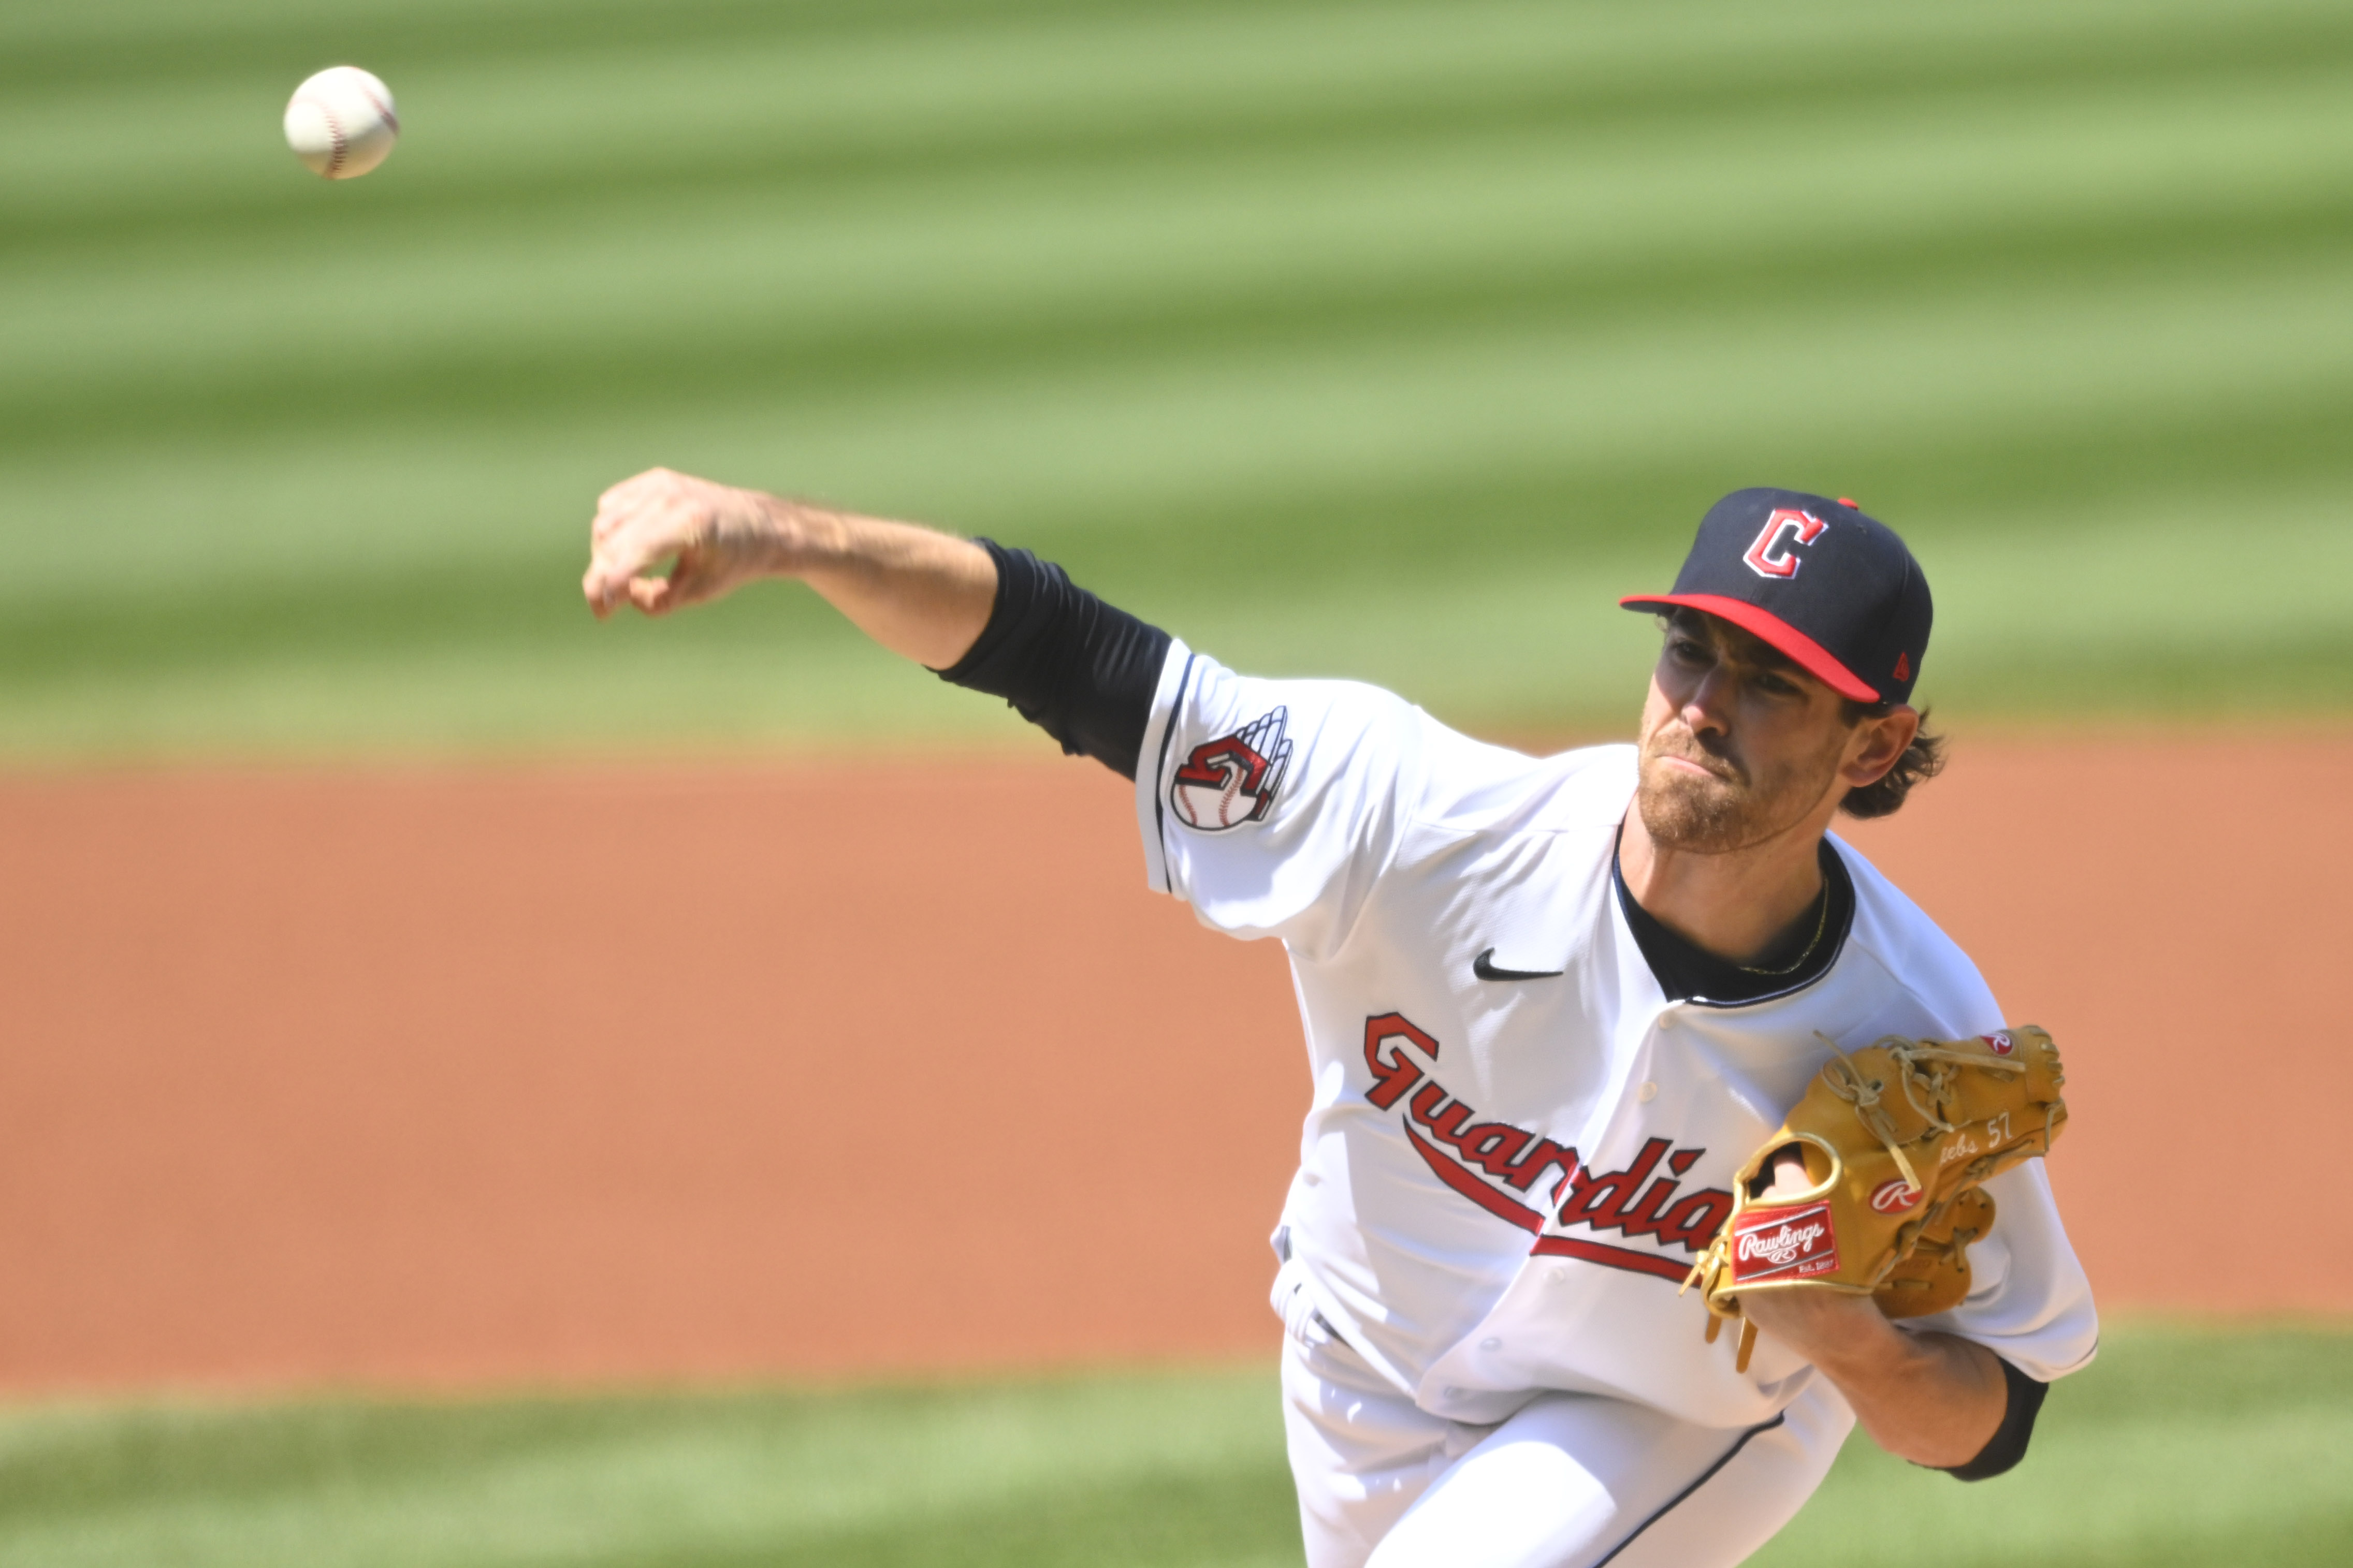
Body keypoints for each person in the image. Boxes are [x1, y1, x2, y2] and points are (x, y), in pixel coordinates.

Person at [582, 472, 2096, 1568]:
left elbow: (1992, 1417)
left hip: (1667, 1421)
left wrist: (1844, 1338)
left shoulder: (1913, 1027)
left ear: (1877, 742)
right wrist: (785, 537)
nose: (1703, 704)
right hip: (1354, 1377)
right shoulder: (1420, 817)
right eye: (1691, 653)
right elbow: (1079, 660)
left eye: (1773, 686)